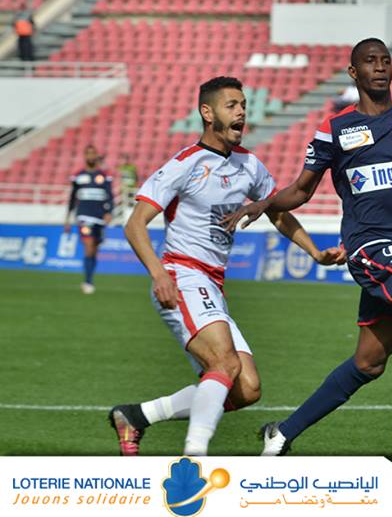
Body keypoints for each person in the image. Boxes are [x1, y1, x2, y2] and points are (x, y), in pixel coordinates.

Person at [221, 38, 392, 457]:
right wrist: (263, 203)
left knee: (368, 364)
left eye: (386, 61)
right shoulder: (335, 129)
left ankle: (282, 433)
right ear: (354, 73)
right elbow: (302, 190)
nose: (380, 67)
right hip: (369, 250)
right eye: (370, 61)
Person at [108, 76, 344, 456]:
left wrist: (315, 252)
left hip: (213, 286)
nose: (241, 113)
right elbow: (135, 224)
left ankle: (137, 416)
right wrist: (158, 273)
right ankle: (194, 456)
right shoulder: (185, 163)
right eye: (231, 105)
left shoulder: (249, 165)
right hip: (183, 275)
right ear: (207, 112)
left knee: (246, 389)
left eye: (244, 106)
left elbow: (278, 213)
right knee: (223, 362)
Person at [65, 145, 114, 294]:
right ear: (85, 156)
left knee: (94, 249)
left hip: (99, 217)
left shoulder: (104, 176)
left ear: (96, 155)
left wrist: (109, 212)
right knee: (89, 245)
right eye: (88, 153)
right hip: (84, 216)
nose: (91, 156)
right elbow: (72, 198)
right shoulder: (78, 176)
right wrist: (67, 218)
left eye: (93, 153)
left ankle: (89, 278)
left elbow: (110, 196)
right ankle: (87, 282)